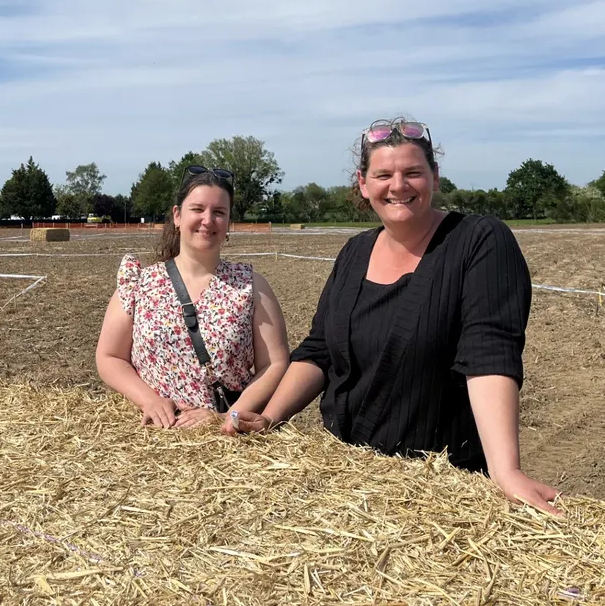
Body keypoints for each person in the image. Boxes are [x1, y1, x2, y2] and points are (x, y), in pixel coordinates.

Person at [231, 119, 562, 515]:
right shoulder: (354, 252)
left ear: (435, 177)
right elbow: (320, 351)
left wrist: (505, 470)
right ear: (363, 182)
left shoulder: (479, 241)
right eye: (383, 174)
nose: (398, 186)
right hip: (348, 481)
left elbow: (488, 354)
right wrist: (270, 417)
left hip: (439, 486)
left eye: (413, 173)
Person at [96, 165, 290, 430]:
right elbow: (109, 357)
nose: (208, 220)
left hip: (223, 442)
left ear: (228, 223)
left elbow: (274, 364)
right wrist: (149, 401)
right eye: (197, 209)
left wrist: (228, 417)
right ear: (177, 216)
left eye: (219, 212)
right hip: (151, 437)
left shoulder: (251, 286)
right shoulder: (139, 284)